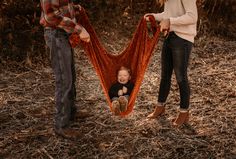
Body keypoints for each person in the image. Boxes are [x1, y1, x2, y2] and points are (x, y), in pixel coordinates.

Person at [40, 0, 90, 139]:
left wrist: (75, 8)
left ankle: (71, 111)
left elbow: (61, 7)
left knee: (71, 75)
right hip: (56, 35)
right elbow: (51, 16)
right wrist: (79, 29)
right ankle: (61, 125)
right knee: (64, 80)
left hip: (64, 34)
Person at [144, 0, 198, 127]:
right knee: (165, 75)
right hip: (169, 36)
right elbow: (168, 14)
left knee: (181, 77)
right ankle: (160, 106)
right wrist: (153, 16)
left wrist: (170, 21)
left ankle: (184, 112)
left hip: (183, 39)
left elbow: (192, 16)